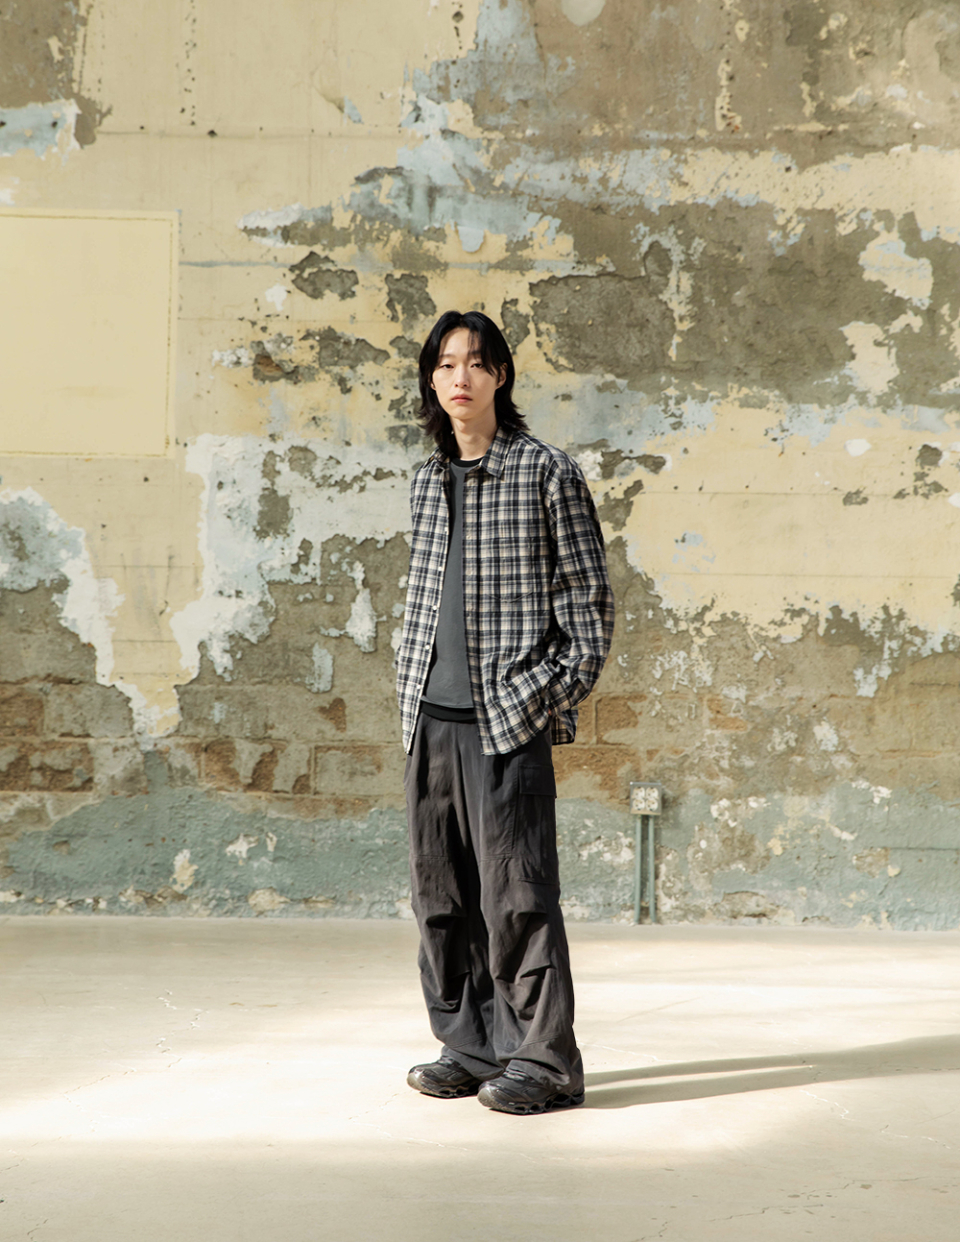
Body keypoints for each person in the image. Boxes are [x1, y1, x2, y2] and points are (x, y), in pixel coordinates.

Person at [396, 309, 614, 1115]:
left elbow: (589, 611)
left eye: (476, 363)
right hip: (428, 718)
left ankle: (546, 1063)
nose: (461, 377)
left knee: (517, 897)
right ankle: (470, 1046)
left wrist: (538, 698)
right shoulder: (426, 480)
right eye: (446, 363)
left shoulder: (546, 473)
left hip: (503, 722)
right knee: (441, 898)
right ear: (432, 379)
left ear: (500, 376)